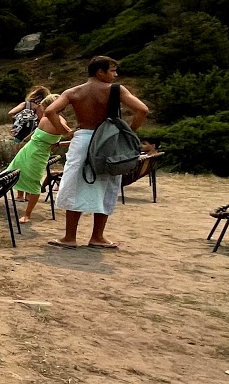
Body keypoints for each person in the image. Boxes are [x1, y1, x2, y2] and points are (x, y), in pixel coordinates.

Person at [42, 56, 149, 249]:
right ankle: (97, 236)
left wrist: (65, 131)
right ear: (100, 72)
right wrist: (129, 132)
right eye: (112, 70)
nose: (115, 75)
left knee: (75, 184)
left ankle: (69, 237)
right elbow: (142, 110)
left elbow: (50, 111)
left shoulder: (73, 92)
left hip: (82, 139)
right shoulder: (116, 90)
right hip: (108, 140)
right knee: (107, 185)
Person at [6, 94, 70, 222]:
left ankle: (27, 215)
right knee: (8, 174)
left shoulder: (58, 120)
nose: (42, 109)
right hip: (28, 150)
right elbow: (35, 135)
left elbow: (71, 134)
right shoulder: (46, 119)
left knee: (34, 183)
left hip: (39, 155)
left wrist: (59, 144)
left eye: (44, 107)